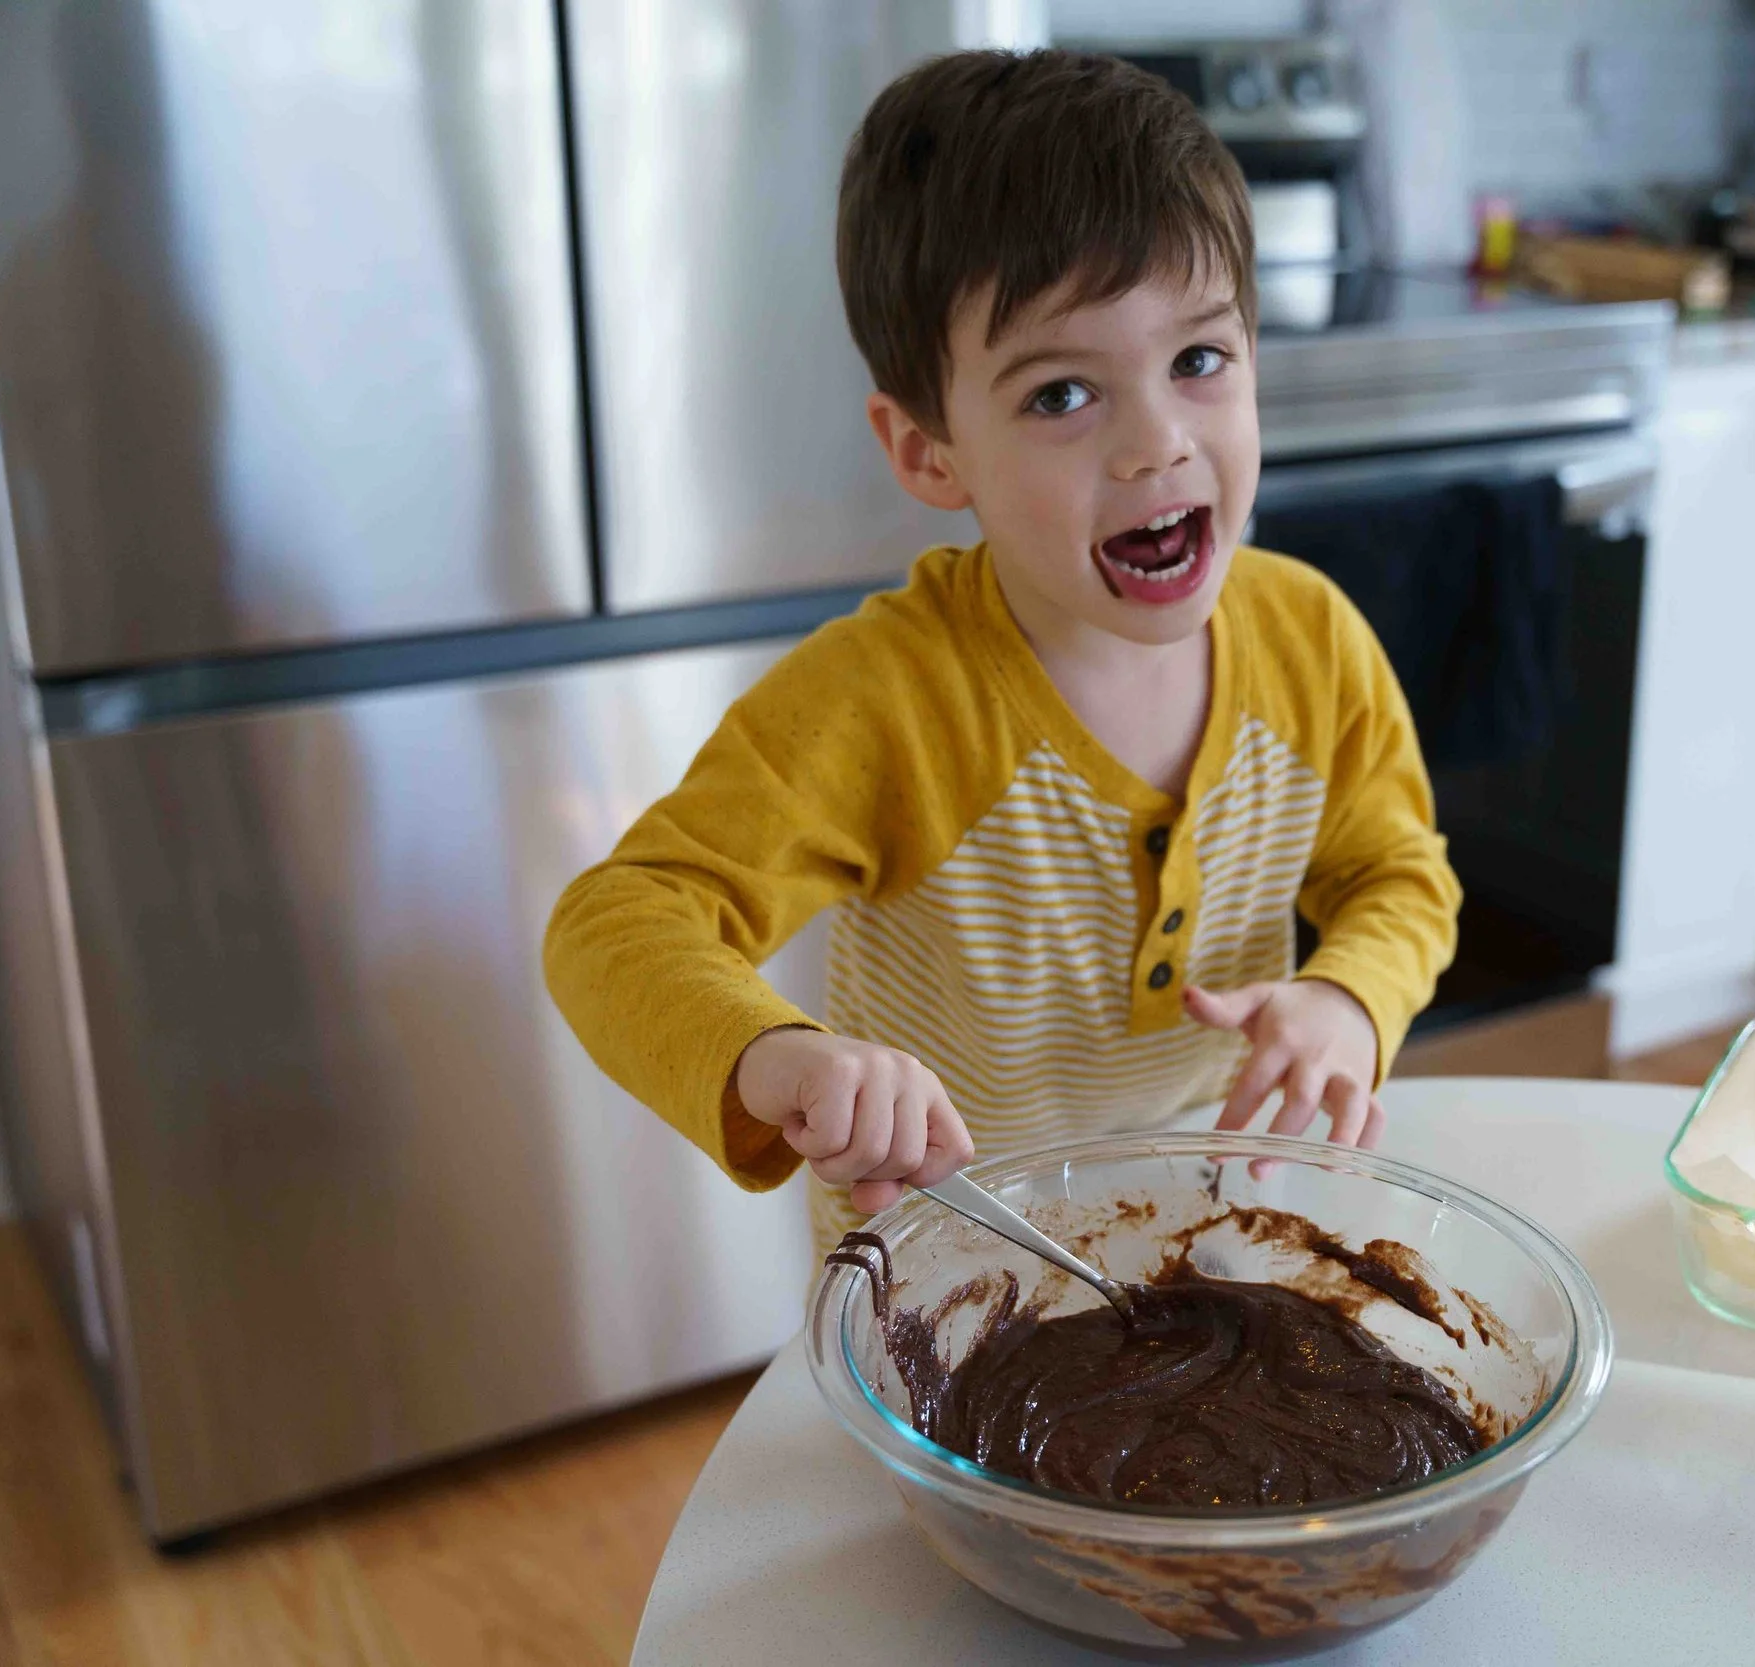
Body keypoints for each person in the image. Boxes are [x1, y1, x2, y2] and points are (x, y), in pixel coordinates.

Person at [543, 49, 1459, 1254]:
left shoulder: (1312, 641)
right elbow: (614, 923)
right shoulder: (888, 699)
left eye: (1197, 360)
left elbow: (1398, 874)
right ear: (929, 452)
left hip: (1218, 1236)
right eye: (1060, 395)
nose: (1155, 444)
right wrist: (785, 1057)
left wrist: (1346, 998)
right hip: (950, 1274)